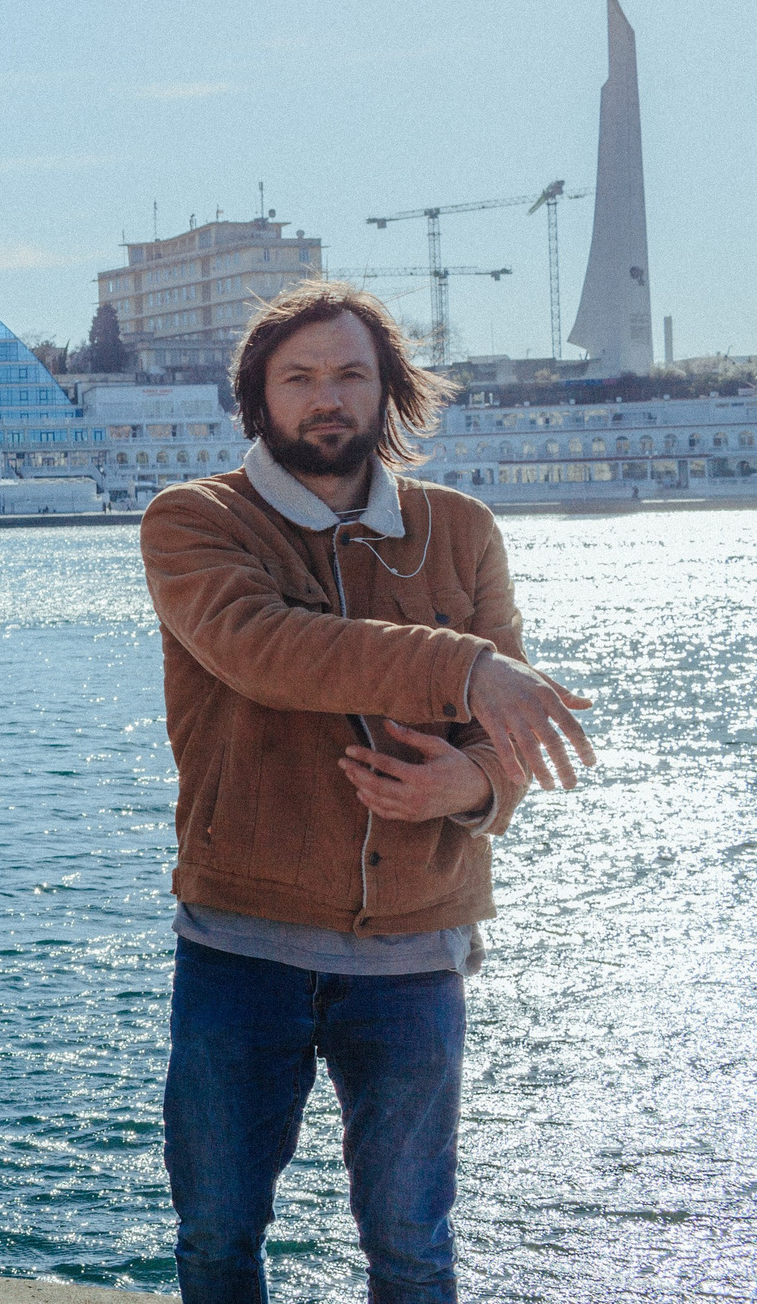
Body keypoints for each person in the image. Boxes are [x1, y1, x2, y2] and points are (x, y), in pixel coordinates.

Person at [139, 280, 598, 1304]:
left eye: (350, 373)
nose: (325, 396)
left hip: (416, 953)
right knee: (217, 1236)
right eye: (297, 377)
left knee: (412, 1246)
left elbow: (505, 738)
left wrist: (471, 784)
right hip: (239, 945)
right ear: (255, 397)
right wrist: (465, 669)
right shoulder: (194, 520)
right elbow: (265, 650)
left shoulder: (461, 529)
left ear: (389, 389)